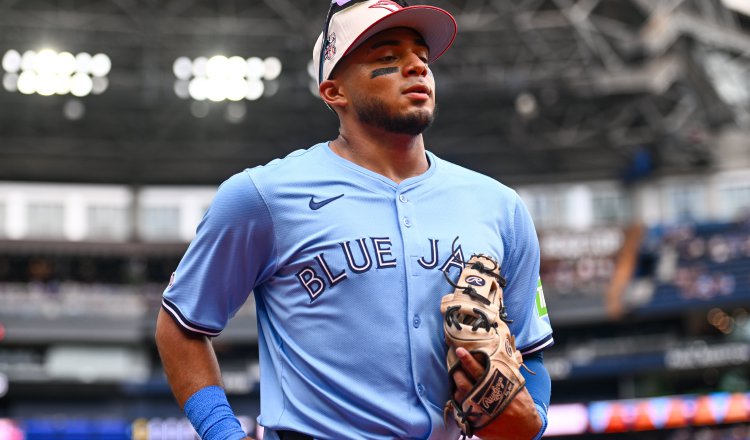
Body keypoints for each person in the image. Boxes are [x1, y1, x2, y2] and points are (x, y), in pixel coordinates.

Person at [154, 1, 554, 439]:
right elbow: (180, 326)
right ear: (334, 92)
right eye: (387, 58)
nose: (416, 68)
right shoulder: (262, 196)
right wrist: (221, 434)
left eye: (422, 58)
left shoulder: (500, 206)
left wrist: (531, 418)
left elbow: (530, 352)